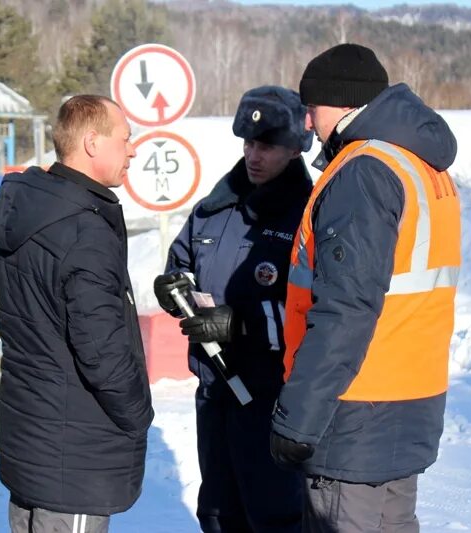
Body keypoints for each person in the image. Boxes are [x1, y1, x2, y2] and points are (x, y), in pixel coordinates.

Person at [269, 43, 461, 532]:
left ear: (341, 103)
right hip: (408, 400)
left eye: (311, 109)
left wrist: (298, 418)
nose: (307, 123)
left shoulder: (362, 172)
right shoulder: (419, 163)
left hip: (353, 411)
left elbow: (345, 308)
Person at [0, 95, 154, 533]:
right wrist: (139, 415)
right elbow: (101, 352)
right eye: (126, 138)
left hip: (34, 437)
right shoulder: (83, 230)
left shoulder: (33, 209)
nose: (134, 149)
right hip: (75, 454)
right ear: (92, 143)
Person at [154, 85, 315, 532]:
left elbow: (318, 310)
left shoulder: (308, 214)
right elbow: (180, 263)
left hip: (272, 398)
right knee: (219, 513)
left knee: (274, 516)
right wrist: (174, 288)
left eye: (266, 146)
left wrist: (239, 325)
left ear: (293, 149)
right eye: (248, 144)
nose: (254, 155)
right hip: (215, 390)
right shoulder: (214, 209)